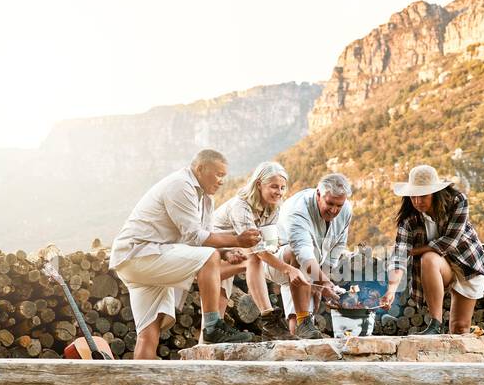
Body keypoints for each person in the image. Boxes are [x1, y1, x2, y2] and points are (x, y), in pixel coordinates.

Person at [109, 149, 260, 358]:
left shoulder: (206, 199)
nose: (222, 181)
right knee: (209, 258)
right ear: (200, 168)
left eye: (224, 176)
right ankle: (213, 326)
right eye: (218, 174)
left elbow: (204, 240)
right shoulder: (180, 184)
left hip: (141, 260)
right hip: (140, 254)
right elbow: (194, 236)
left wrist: (225, 252)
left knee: (148, 332)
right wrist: (237, 240)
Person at [380, 164, 484, 335]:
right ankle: (435, 324)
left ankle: (459, 360)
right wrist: (391, 290)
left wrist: (415, 251)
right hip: (438, 266)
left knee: (459, 327)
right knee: (428, 257)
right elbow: (400, 254)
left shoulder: (457, 201)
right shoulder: (409, 219)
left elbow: (450, 242)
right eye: (413, 197)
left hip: (466, 263)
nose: (417, 202)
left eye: (423, 196)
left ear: (435, 193)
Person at [212, 161, 310, 340]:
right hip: (210, 259)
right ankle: (268, 318)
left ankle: (271, 320)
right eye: (274, 186)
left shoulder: (273, 208)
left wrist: (275, 245)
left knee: (213, 323)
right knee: (253, 259)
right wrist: (288, 269)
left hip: (232, 257)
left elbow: (267, 243)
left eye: (282, 187)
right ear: (258, 184)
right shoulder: (240, 207)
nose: (279, 192)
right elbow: (257, 250)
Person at [278, 172, 353, 339]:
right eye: (330, 203)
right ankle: (303, 321)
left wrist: (321, 280)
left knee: (304, 316)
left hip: (309, 266)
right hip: (278, 262)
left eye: (339, 206)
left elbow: (338, 246)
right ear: (318, 194)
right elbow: (303, 254)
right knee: (297, 258)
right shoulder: (297, 210)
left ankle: (300, 343)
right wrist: (324, 281)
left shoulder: (346, 208)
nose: (334, 210)